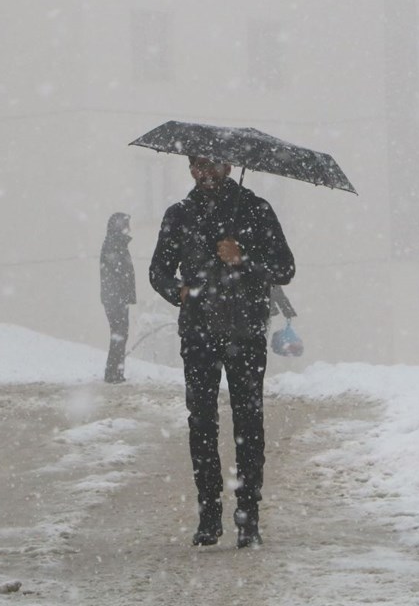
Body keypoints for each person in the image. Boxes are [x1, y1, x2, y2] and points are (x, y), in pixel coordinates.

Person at [149, 156, 295, 549]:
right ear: (190, 168)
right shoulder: (179, 215)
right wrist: (175, 290)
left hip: (246, 332)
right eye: (197, 165)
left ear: (229, 166)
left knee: (249, 425)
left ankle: (248, 517)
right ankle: (209, 515)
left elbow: (284, 268)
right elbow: (157, 271)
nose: (204, 172)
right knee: (202, 424)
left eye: (212, 164)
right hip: (197, 333)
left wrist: (242, 258)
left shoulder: (255, 209)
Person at [100, 212, 136, 384]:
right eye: (126, 225)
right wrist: (121, 295)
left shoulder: (116, 244)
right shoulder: (114, 244)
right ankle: (113, 373)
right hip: (116, 298)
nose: (128, 229)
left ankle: (115, 372)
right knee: (119, 333)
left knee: (119, 333)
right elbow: (118, 274)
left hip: (117, 297)